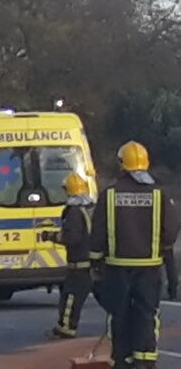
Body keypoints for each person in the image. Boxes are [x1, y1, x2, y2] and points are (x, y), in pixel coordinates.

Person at [89, 141, 180, 369]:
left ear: (122, 165)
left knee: (119, 314)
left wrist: (95, 263)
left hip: (116, 267)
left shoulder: (109, 195)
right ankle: (144, 359)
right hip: (149, 268)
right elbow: (170, 231)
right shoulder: (159, 195)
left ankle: (122, 358)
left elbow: (98, 232)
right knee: (147, 313)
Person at [46, 172, 95, 339]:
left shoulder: (74, 212)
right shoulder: (91, 208)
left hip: (79, 263)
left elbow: (72, 238)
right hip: (94, 261)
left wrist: (51, 236)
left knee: (71, 296)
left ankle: (66, 327)